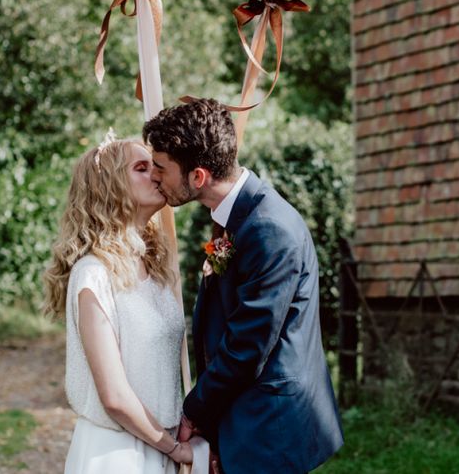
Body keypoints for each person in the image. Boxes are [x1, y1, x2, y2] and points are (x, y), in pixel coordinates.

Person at [143, 99, 344, 474]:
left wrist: (195, 410)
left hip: (269, 428)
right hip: (247, 419)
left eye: (161, 168)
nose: (155, 177)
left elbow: (247, 346)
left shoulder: (269, 228)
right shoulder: (237, 216)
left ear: (198, 176)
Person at [43, 132, 194, 473]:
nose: (156, 174)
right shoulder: (93, 274)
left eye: (155, 166)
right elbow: (113, 393)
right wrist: (174, 448)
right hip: (116, 452)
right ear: (109, 186)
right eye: (141, 168)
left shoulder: (156, 268)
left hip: (160, 445)